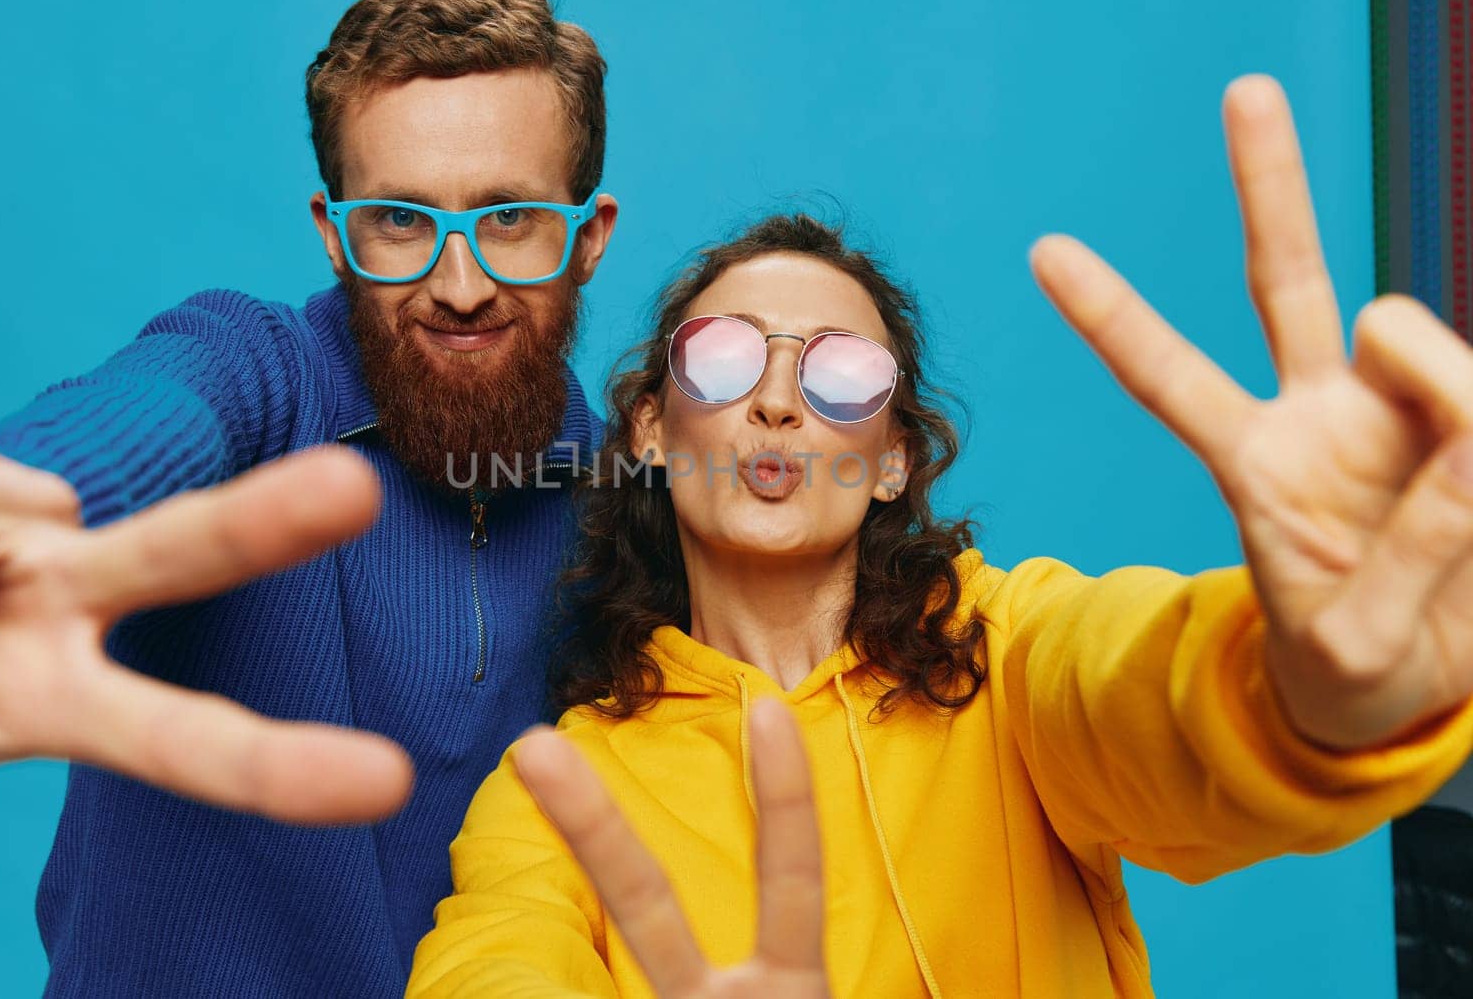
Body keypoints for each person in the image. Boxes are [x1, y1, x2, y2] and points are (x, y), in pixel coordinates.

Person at [404, 76, 1473, 998]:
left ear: (889, 459)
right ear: (648, 426)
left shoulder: (1009, 654)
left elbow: (1147, 690)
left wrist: (1306, 681)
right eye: (725, 354)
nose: (776, 401)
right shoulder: (556, 791)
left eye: (840, 373)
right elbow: (489, 965)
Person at [0, 0, 617, 997]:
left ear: (586, 234)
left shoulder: (629, 511)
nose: (459, 283)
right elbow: (152, 409)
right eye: (400, 221)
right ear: (332, 229)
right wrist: (8, 503)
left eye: (508, 219)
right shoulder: (256, 370)